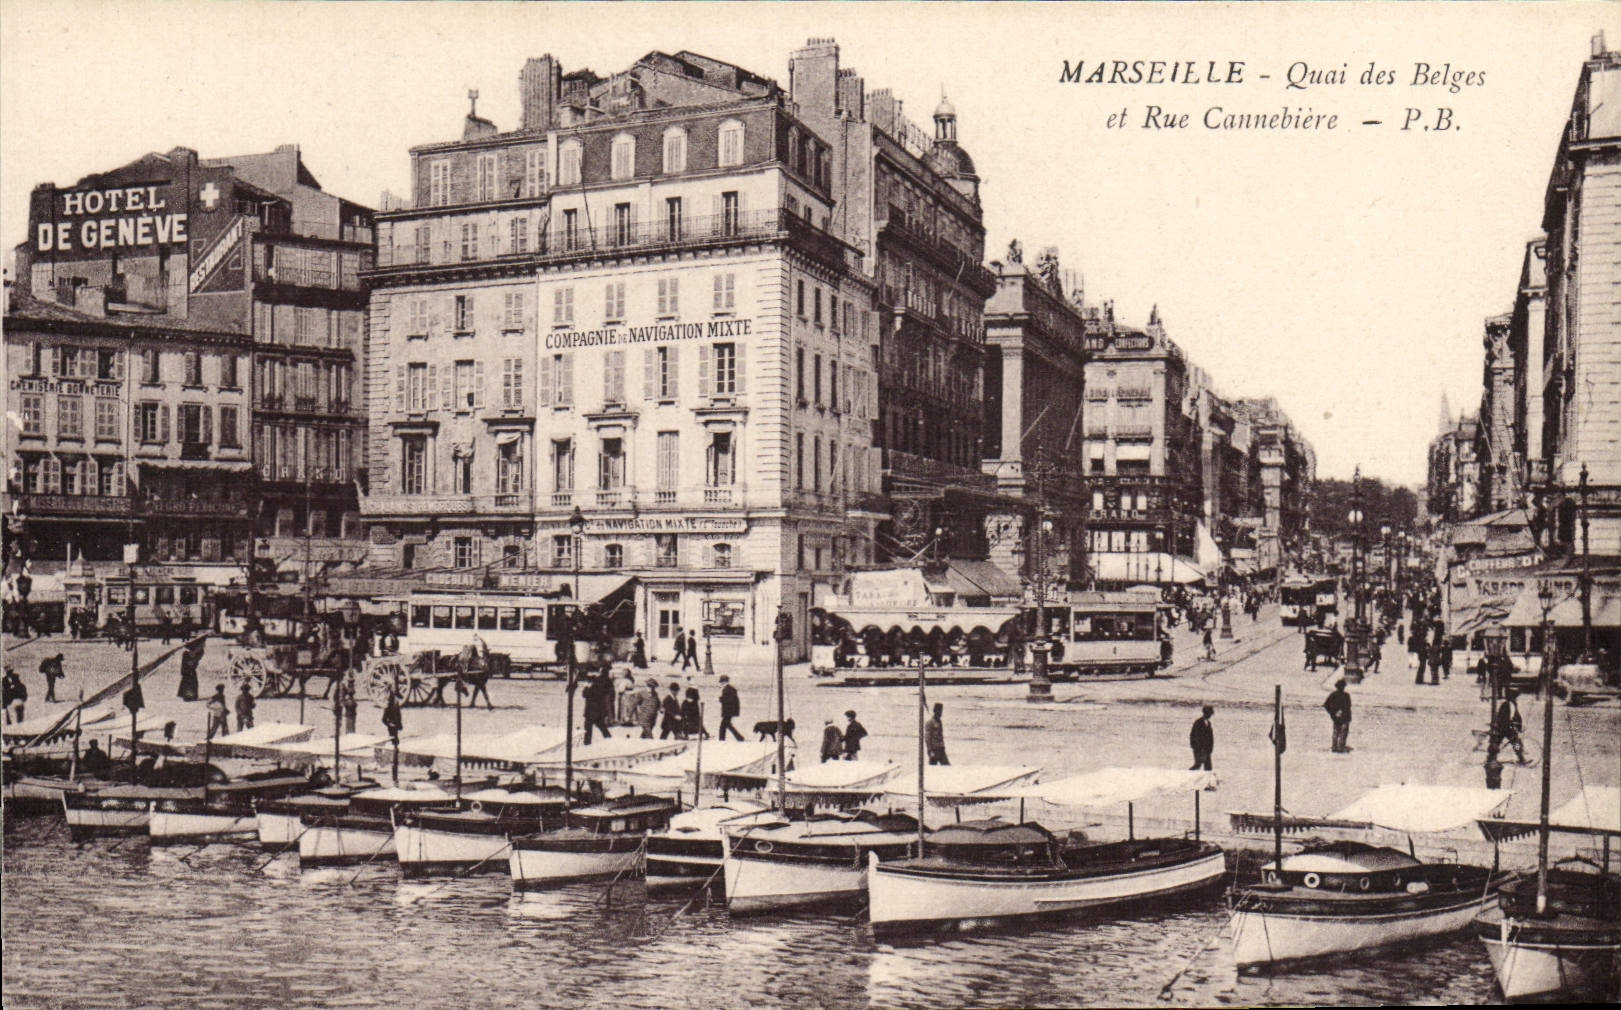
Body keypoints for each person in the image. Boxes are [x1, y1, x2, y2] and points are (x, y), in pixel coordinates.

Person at [1490, 688, 1527, 764]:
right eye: (1514, 696)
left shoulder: (1513, 704)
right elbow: (1501, 717)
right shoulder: (1505, 705)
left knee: (1515, 742)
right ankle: (1521, 758)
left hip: (1508, 727)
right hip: (1504, 728)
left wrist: (1519, 726)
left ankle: (1521, 758)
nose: (1516, 698)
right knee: (1512, 742)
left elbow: (1517, 716)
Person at [582, 668, 613, 744]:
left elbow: (585, 694)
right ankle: (609, 739)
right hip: (599, 710)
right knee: (602, 726)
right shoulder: (602, 683)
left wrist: (586, 687)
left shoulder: (593, 687)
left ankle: (587, 743)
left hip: (591, 711)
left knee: (588, 728)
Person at [1323, 679, 1352, 753]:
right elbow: (1348, 706)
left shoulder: (1333, 695)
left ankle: (1334, 746)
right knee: (1343, 732)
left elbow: (1326, 705)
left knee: (1336, 732)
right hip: (1345, 717)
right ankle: (1340, 747)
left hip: (1336, 718)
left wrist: (1332, 713)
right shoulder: (1346, 695)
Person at [717, 675, 744, 741]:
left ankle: (722, 739)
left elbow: (727, 700)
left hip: (728, 711)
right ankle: (739, 737)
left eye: (721, 682)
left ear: (724, 682)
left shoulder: (727, 689)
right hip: (731, 711)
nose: (720, 684)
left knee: (723, 726)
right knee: (727, 725)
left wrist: (720, 699)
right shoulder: (731, 689)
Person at [1189, 705, 1215, 771]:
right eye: (1210, 713)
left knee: (1208, 767)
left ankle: (1207, 780)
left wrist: (1209, 749)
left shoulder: (1208, 723)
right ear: (1206, 713)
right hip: (1199, 749)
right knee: (1198, 765)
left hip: (1206, 750)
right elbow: (1195, 736)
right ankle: (1187, 776)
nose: (1211, 715)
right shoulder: (1198, 722)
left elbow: (1210, 738)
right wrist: (1199, 748)